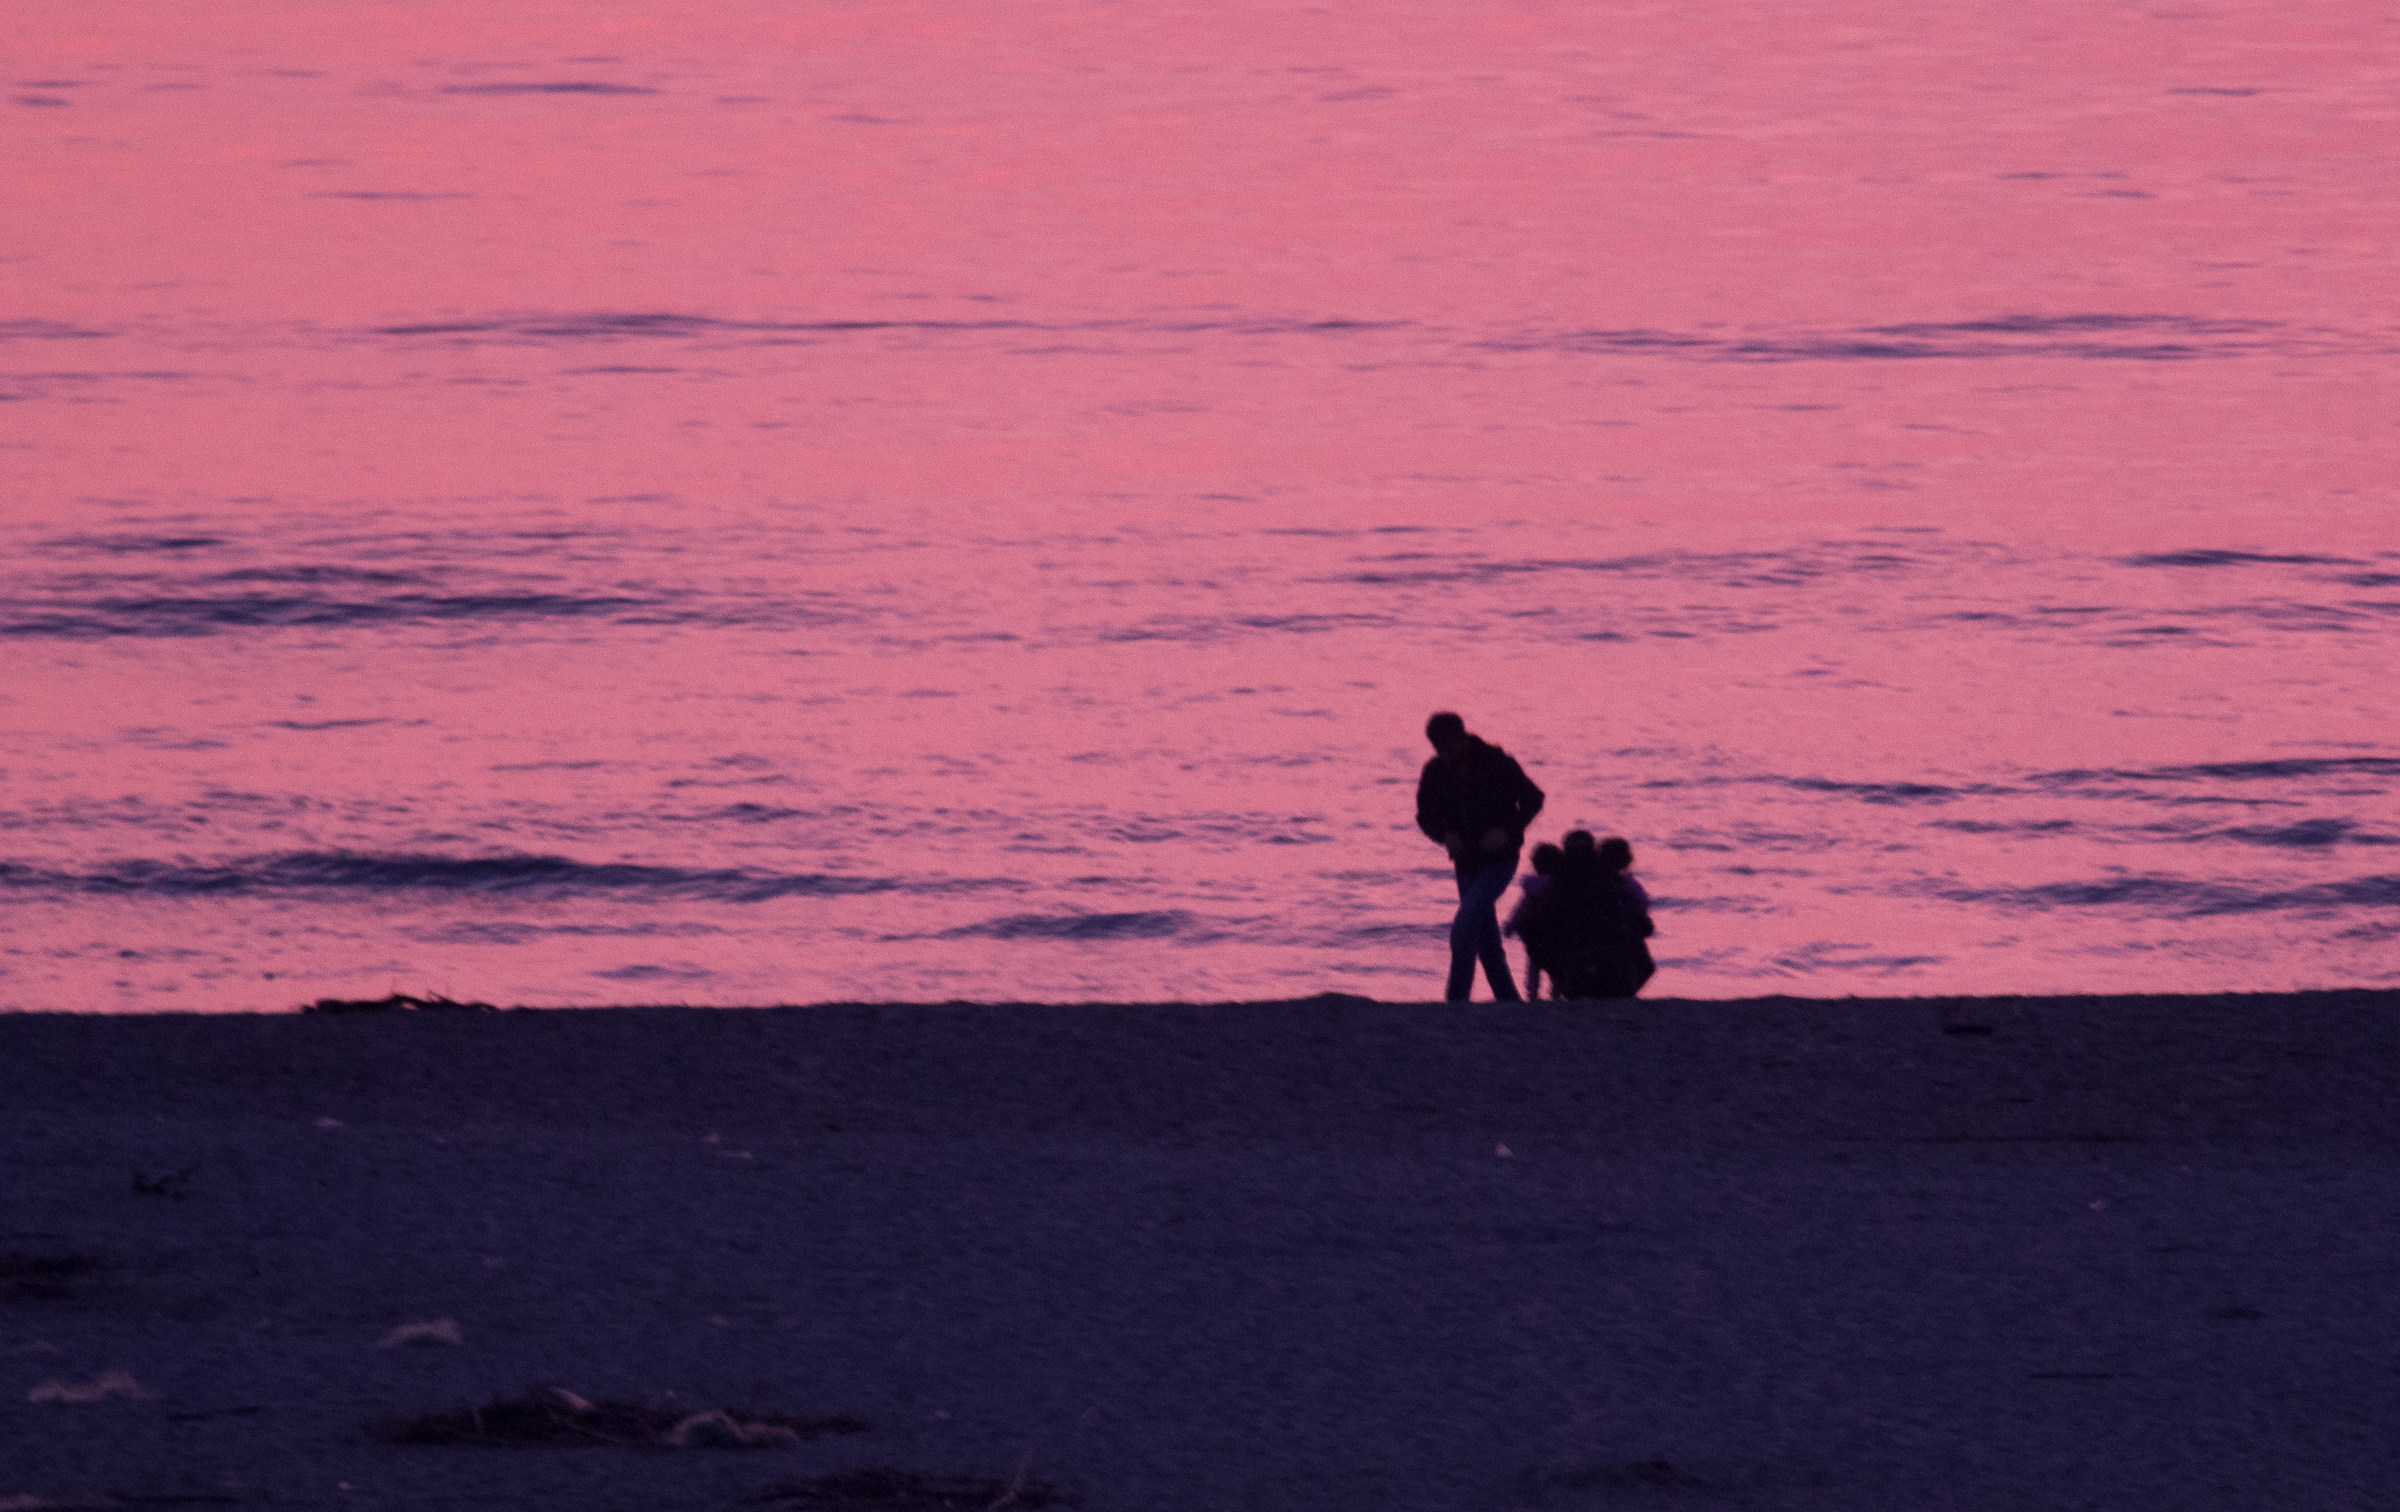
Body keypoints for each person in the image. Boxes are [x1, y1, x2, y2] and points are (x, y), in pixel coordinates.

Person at [1415, 711, 1545, 1002]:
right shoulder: (1435, 771)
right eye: (1438, 749)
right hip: (1465, 863)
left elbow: (1534, 799)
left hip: (1500, 859)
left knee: (1464, 925)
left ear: (1462, 738)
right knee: (1487, 945)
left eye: (1449, 748)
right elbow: (1425, 815)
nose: (1444, 755)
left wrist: (1507, 830)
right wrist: (1444, 835)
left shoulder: (1497, 762)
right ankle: (1510, 1003)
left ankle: (1455, 1002)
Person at [1544, 832, 1656, 999]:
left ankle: (1567, 986)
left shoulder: (1557, 880)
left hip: (1574, 954)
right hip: (1607, 952)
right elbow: (1639, 921)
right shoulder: (1609, 879)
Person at [1504, 842, 1564, 1000]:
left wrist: (1510, 926)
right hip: (1557, 935)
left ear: (1534, 864)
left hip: (1535, 935)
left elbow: (1521, 909)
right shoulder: (1561, 886)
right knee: (1557, 968)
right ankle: (1555, 995)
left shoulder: (1531, 888)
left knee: (1533, 966)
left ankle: (1532, 995)